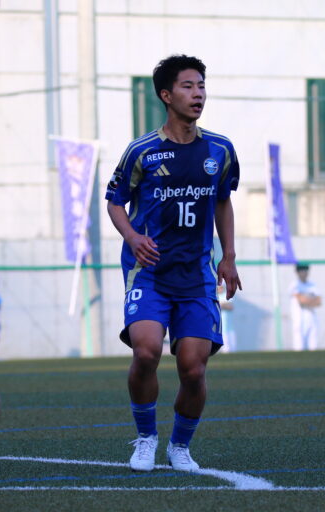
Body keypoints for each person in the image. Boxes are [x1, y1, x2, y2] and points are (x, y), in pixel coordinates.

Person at [106, 54, 241, 472]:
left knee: (193, 370)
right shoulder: (142, 151)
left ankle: (179, 446)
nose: (198, 93)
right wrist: (132, 237)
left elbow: (223, 201)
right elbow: (114, 201)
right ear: (166, 95)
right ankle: (146, 437)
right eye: (187, 86)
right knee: (146, 352)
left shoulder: (219, 150)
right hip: (149, 273)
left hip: (196, 276)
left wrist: (228, 256)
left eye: (201, 85)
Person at [289, 262, 322, 351]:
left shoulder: (313, 285)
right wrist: (311, 299)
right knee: (299, 346)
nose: (304, 273)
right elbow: (302, 301)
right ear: (297, 272)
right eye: (301, 270)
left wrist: (306, 299)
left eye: (305, 270)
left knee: (313, 346)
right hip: (299, 319)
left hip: (312, 318)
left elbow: (319, 302)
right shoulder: (294, 285)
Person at [217, 284, 236, 352]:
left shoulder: (227, 295)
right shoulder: (215, 296)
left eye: (221, 287)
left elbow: (230, 307)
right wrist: (223, 304)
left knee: (232, 347)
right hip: (219, 327)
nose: (220, 289)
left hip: (229, 327)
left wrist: (220, 304)